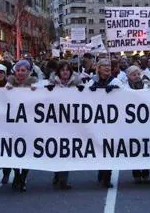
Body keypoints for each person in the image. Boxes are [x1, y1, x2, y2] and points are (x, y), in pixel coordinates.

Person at [87, 59, 123, 188]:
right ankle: (101, 172)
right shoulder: (92, 81)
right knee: (99, 148)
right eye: (104, 66)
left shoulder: (116, 82)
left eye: (109, 66)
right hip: (97, 121)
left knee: (109, 149)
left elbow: (125, 96)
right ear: (99, 68)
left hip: (112, 122)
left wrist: (116, 90)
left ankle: (107, 176)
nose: (107, 68)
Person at [5, 59, 39, 191]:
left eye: (23, 70)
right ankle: (17, 175)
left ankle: (23, 177)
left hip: (29, 123)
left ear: (28, 71)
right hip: (14, 123)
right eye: (18, 70)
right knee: (14, 151)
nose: (20, 73)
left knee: (27, 151)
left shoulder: (33, 82)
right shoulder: (11, 81)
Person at [48, 60, 82, 190]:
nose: (65, 72)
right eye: (62, 70)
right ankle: (57, 174)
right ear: (58, 72)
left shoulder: (77, 84)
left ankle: (64, 179)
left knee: (67, 150)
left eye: (67, 69)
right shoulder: (51, 84)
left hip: (71, 123)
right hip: (55, 122)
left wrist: (83, 90)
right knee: (57, 150)